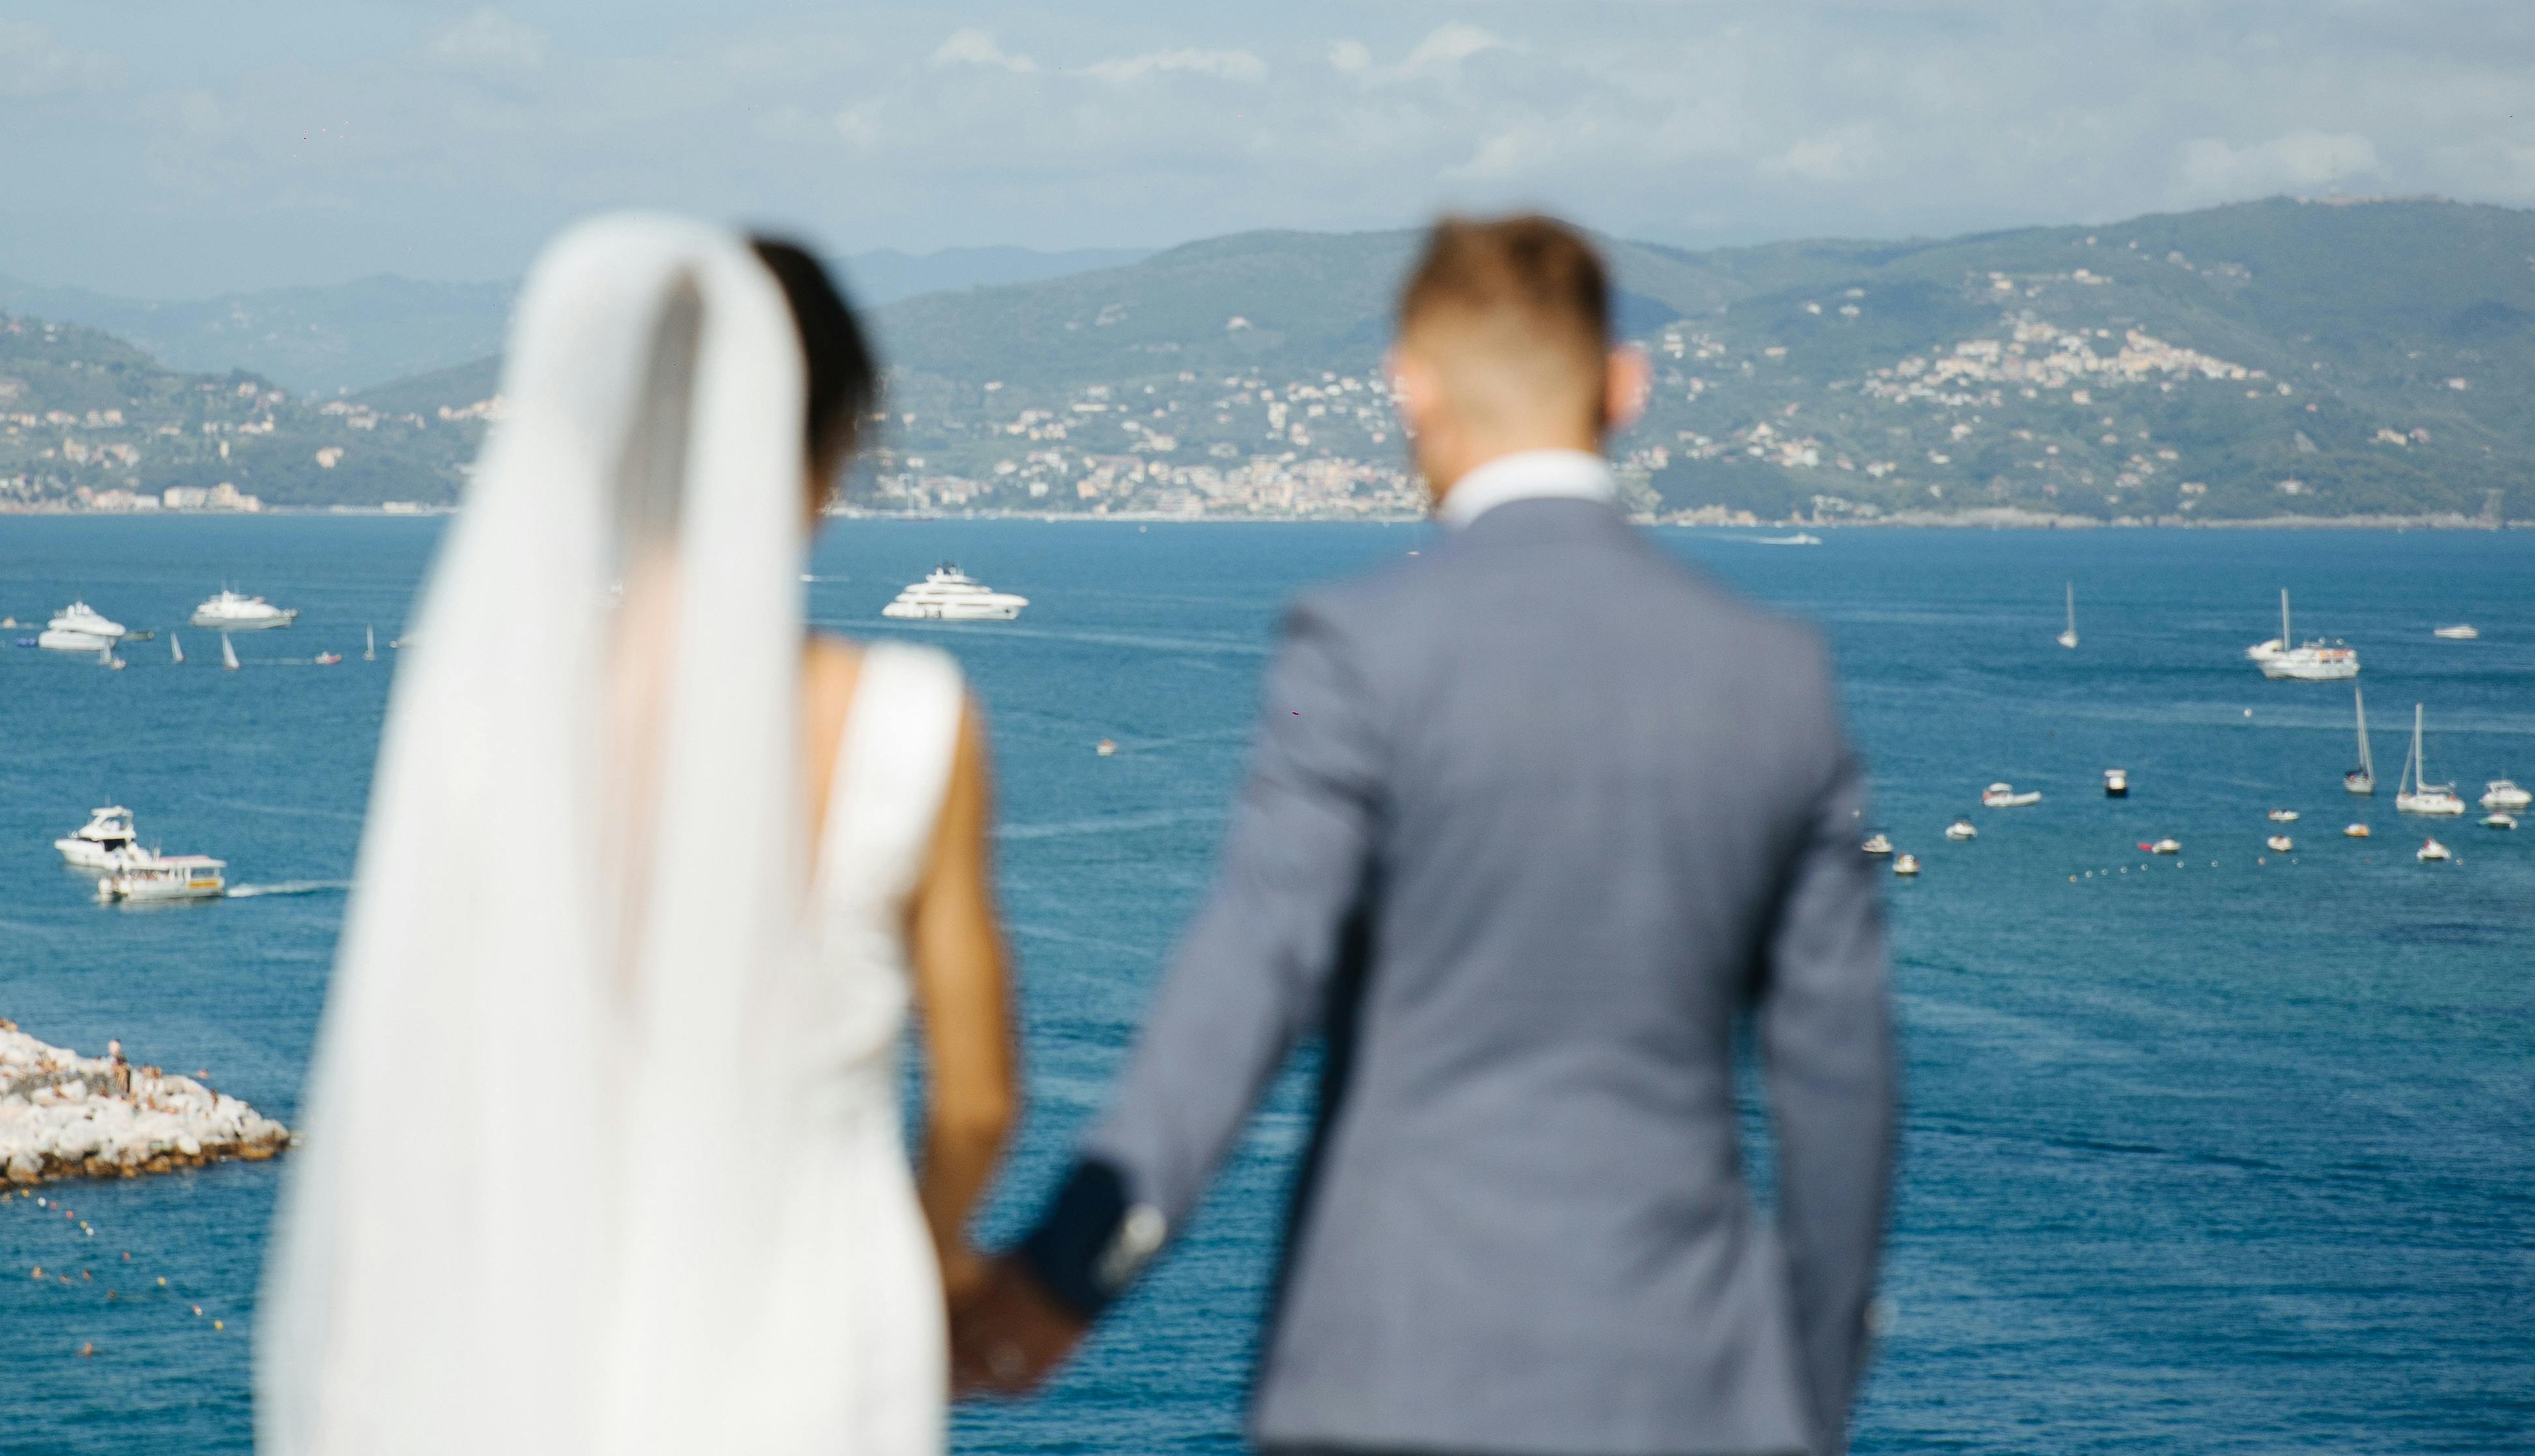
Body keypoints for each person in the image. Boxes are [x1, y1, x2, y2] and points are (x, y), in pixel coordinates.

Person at [955, 213, 1896, 1456]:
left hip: (1392, 1384)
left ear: (1409, 388)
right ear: (1627, 387)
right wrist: (1804, 1403)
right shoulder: (1778, 677)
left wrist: (1062, 1279)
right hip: (1693, 1396)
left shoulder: (1361, 651)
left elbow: (1245, 985)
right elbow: (1845, 1095)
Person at [259, 216, 1015, 1455]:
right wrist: (923, 1264)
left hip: (552, 1357)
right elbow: (978, 1106)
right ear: (835, 444)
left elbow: (423, 1093)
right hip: (824, 1355)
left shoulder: (490, 732)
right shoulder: (907, 723)